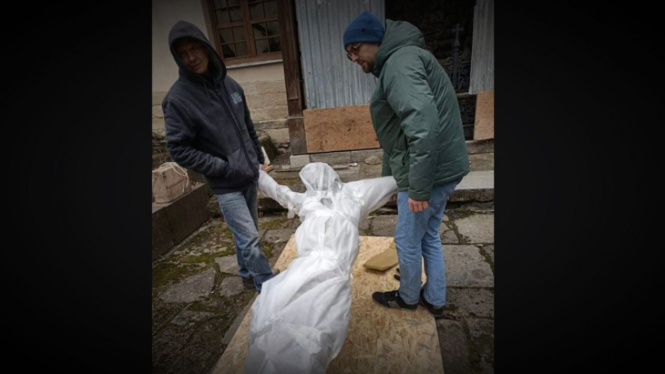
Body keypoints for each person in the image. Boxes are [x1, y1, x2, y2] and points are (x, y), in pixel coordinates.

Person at [343, 11, 470, 317]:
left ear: (373, 41)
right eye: (349, 54)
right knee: (427, 235)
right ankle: (435, 298)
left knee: (406, 239)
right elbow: (398, 135)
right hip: (440, 167)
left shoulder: (399, 64)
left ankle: (408, 296)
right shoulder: (402, 59)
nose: (353, 59)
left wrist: (418, 188)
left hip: (428, 172)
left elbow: (423, 128)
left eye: (355, 50)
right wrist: (392, 182)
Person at [246, 163, 397, 374]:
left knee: (299, 311)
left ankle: (290, 357)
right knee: (313, 314)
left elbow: (277, 190)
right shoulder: (353, 192)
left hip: (320, 269)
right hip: (318, 267)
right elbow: (393, 181)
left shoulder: (313, 199)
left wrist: (257, 173)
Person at [162, 20, 277, 293]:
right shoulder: (177, 100)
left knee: (244, 234)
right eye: (183, 53)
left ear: (206, 47)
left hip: (247, 174)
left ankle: (247, 275)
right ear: (178, 59)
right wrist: (222, 167)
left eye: (194, 48)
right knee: (249, 237)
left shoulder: (231, 84)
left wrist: (255, 156)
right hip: (225, 183)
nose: (191, 57)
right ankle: (269, 287)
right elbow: (178, 149)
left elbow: (247, 124)